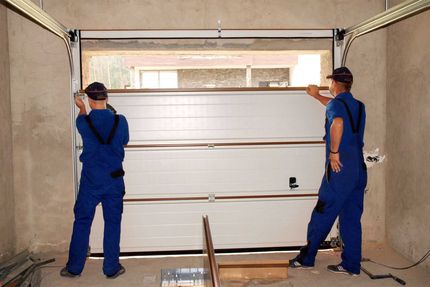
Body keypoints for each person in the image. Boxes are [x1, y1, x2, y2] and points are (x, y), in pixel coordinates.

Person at [289, 67, 367, 276]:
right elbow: (337, 109)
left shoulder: (336, 106)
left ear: (334, 83)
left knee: (323, 212)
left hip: (340, 169)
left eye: (331, 82)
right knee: (351, 218)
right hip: (358, 169)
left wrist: (334, 152)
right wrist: (317, 96)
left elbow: (338, 122)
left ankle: (307, 258)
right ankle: (351, 265)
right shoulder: (358, 106)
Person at [61, 82, 129, 279]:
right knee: (113, 223)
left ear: (90, 100)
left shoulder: (83, 122)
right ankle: (111, 268)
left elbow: (82, 119)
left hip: (91, 181)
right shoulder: (121, 120)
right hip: (114, 180)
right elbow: (124, 140)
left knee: (82, 221)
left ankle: (74, 268)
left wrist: (81, 108)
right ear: (107, 98)